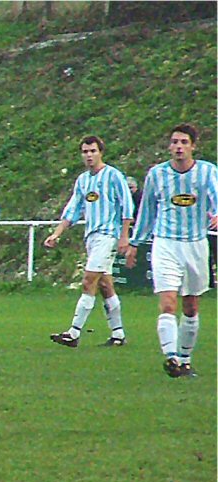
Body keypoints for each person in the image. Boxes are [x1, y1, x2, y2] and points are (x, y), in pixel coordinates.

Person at [125, 123, 218, 378]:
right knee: (167, 302)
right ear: (169, 146)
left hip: (196, 244)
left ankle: (185, 359)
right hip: (165, 243)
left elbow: (216, 197)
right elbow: (147, 211)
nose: (178, 147)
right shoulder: (157, 174)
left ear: (193, 146)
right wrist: (135, 243)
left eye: (184, 142)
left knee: (191, 306)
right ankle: (171, 357)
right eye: (175, 142)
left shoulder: (208, 172)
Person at [44, 135, 134, 348]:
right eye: (85, 152)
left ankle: (74, 332)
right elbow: (72, 209)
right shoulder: (83, 180)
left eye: (92, 151)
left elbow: (127, 207)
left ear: (100, 152)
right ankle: (118, 334)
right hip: (92, 237)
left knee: (88, 280)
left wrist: (124, 236)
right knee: (104, 284)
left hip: (108, 235)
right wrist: (57, 233)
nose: (89, 155)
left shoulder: (113, 176)